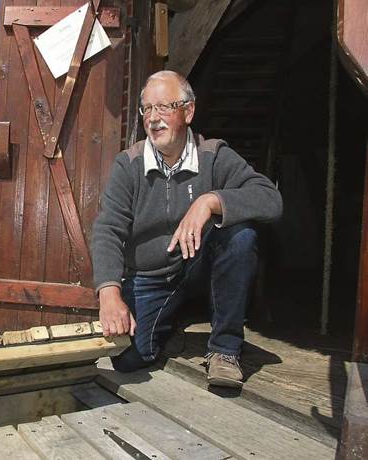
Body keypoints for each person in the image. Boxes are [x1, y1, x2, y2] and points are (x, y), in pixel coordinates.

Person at [90, 70, 282, 387]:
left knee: (240, 235)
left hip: (198, 268)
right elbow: (109, 228)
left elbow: (270, 200)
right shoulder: (129, 163)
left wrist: (211, 200)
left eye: (164, 107)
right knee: (127, 360)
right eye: (147, 109)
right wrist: (109, 294)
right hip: (150, 277)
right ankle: (172, 319)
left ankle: (225, 349)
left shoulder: (214, 155)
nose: (154, 118)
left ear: (188, 111)